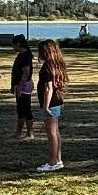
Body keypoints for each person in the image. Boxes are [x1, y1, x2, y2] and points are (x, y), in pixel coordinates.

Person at [36, 41, 68, 173]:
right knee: (55, 132)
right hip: (57, 101)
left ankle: (53, 161)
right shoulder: (56, 65)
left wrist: (45, 106)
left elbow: (48, 89)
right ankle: (58, 159)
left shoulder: (47, 68)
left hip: (52, 103)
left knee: (51, 134)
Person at [10, 34, 35, 140]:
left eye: (13, 45)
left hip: (23, 86)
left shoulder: (24, 56)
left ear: (19, 44)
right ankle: (19, 132)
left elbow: (26, 72)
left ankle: (28, 133)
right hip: (23, 84)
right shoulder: (25, 55)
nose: (13, 47)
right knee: (22, 109)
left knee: (24, 109)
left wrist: (19, 86)